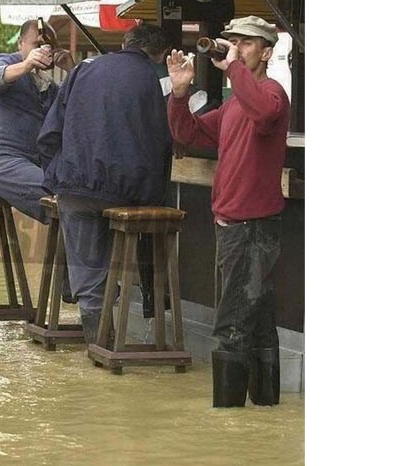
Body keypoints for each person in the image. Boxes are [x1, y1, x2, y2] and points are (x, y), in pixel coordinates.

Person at [166, 16, 290, 407]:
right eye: (234, 41)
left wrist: (234, 67)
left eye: (247, 44)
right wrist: (180, 94)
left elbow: (265, 114)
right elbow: (188, 134)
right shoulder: (237, 103)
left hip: (252, 226)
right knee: (258, 323)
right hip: (236, 225)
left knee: (231, 325)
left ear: (267, 52)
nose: (237, 48)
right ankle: (263, 415)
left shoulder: (271, 94)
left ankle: (228, 421)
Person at [36, 23, 173, 344]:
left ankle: (98, 347)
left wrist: (57, 176)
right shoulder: (151, 81)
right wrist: (153, 199)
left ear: (125, 43)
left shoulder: (84, 70)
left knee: (88, 273)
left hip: (75, 188)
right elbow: (161, 145)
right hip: (125, 193)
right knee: (115, 257)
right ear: (160, 54)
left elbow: (49, 134)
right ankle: (113, 342)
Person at [0, 19, 76, 301]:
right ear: (21, 45)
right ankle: (75, 284)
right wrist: (27, 63)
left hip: (25, 163)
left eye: (47, 48)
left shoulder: (49, 87)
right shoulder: (6, 62)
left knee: (76, 197)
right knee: (62, 199)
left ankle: (73, 284)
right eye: (35, 45)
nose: (41, 51)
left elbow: (77, 107)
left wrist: (72, 70)